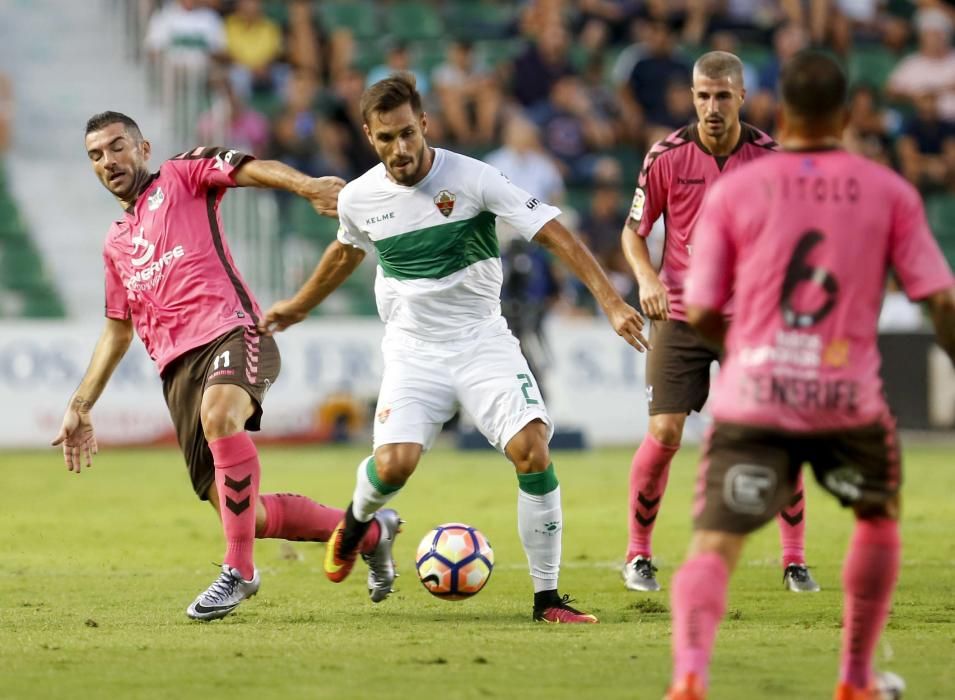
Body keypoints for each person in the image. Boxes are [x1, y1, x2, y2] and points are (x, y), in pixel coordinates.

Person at [259, 73, 649, 623]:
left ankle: (548, 600)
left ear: (424, 125)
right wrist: (298, 306)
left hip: (482, 341)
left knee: (532, 449)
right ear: (370, 138)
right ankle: (355, 522)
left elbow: (553, 231)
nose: (399, 149)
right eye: (385, 138)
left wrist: (610, 300)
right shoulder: (360, 196)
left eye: (406, 134)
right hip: (413, 351)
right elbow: (347, 252)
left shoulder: (473, 178)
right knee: (394, 466)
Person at [664, 50, 955, 700]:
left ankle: (688, 676)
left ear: (777, 112)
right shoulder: (887, 191)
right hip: (845, 398)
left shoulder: (737, 190)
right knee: (876, 515)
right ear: (847, 114)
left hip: (755, 393)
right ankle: (853, 678)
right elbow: (938, 299)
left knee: (714, 541)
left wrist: (744, 352)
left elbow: (704, 307)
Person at [53, 111, 402, 622]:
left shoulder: (182, 173)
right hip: (176, 374)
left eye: (117, 147)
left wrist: (307, 187)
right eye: (96, 155)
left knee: (220, 417)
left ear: (143, 147)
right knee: (248, 514)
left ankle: (239, 572)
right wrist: (81, 404)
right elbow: (117, 330)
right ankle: (371, 533)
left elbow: (250, 169)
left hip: (233, 333)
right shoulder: (115, 244)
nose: (109, 161)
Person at [620, 51, 819, 594]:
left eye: (723, 96)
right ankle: (638, 555)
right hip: (681, 314)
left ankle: (795, 559)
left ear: (742, 97)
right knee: (664, 433)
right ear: (692, 96)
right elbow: (633, 232)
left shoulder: (772, 161)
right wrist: (647, 281)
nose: (712, 107)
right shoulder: (666, 156)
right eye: (703, 96)